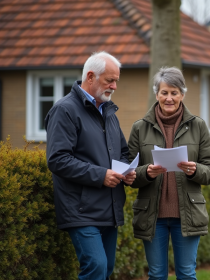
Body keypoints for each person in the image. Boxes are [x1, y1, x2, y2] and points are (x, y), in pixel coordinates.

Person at [45, 51, 136, 280]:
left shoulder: (109, 112)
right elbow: (58, 159)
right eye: (109, 80)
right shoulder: (64, 110)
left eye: (116, 80)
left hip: (109, 208)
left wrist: (126, 172)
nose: (114, 86)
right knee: (95, 267)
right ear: (91, 76)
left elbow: (122, 152)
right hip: (81, 210)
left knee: (105, 270)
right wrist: (101, 175)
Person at [128, 66, 210, 280]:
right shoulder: (139, 128)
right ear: (156, 94)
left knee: (186, 274)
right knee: (157, 275)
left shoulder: (198, 126)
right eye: (164, 92)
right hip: (152, 215)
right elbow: (128, 174)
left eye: (174, 92)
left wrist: (195, 170)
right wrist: (147, 173)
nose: (169, 98)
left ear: (182, 94)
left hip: (187, 214)